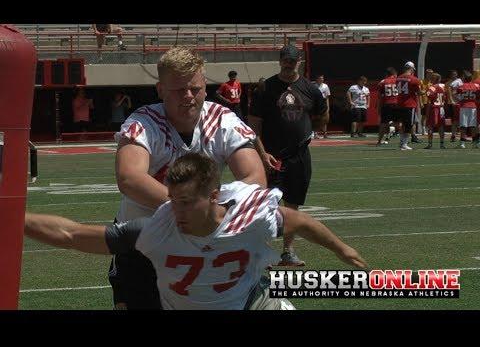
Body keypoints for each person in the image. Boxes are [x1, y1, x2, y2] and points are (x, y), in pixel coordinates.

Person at [24, 153, 367, 310]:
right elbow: (71, 235)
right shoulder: (155, 229)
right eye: (172, 200)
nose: (177, 210)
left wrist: (342, 250)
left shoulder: (250, 217)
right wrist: (13, 217)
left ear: (214, 196)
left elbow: (302, 222)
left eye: (187, 202)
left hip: (254, 303)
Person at [110, 47, 267, 309]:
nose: (188, 97)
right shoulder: (145, 122)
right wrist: (194, 210)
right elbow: (129, 178)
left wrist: (216, 216)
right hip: (143, 243)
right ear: (160, 90)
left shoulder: (222, 119)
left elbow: (255, 177)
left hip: (201, 244)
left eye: (195, 89)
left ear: (205, 86)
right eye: (178, 90)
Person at [248, 44, 326, 267]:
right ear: (280, 60)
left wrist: (308, 131)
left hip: (299, 155)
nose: (288, 63)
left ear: (299, 61)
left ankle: (287, 252)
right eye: (285, 59)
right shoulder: (266, 88)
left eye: (292, 59)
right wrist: (262, 155)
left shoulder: (310, 89)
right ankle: (261, 252)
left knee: (292, 205)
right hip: (271, 156)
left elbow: (322, 115)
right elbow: (254, 126)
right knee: (264, 205)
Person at [394, 61, 421, 150]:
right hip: (409, 104)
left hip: (399, 103)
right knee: (409, 125)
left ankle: (402, 142)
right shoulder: (414, 79)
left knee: (402, 124)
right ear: (411, 69)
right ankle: (404, 144)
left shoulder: (398, 78)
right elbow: (419, 92)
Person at [455, 71, 480, 149]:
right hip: (473, 107)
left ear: (464, 78)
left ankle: (462, 143)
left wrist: (458, 99)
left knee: (463, 125)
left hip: (464, 106)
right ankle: (475, 143)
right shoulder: (476, 86)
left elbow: (457, 96)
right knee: (473, 125)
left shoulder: (461, 86)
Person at [424, 73, 446, 149]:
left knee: (430, 126)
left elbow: (428, 95)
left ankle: (430, 144)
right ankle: (442, 144)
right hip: (442, 108)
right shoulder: (443, 86)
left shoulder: (432, 87)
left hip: (434, 108)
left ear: (434, 79)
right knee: (441, 126)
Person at [376, 67, 398, 146]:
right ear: (394, 74)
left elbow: (379, 97)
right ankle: (402, 141)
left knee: (383, 123)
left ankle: (379, 141)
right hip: (397, 104)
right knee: (399, 123)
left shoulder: (383, 82)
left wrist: (378, 108)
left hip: (386, 104)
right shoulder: (398, 81)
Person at [445, 70, 464, 143]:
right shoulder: (449, 83)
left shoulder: (459, 81)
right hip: (453, 103)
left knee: (458, 120)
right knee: (454, 120)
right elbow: (449, 92)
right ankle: (454, 135)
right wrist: (452, 100)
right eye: (453, 74)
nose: (454, 75)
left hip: (458, 103)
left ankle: (458, 135)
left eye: (455, 74)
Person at [419, 69, 434, 136]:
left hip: (431, 101)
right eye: (429, 73)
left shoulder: (432, 82)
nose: (430, 75)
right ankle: (423, 129)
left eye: (431, 74)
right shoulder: (421, 82)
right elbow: (419, 93)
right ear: (426, 74)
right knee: (424, 116)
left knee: (430, 116)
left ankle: (429, 129)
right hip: (424, 101)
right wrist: (421, 102)